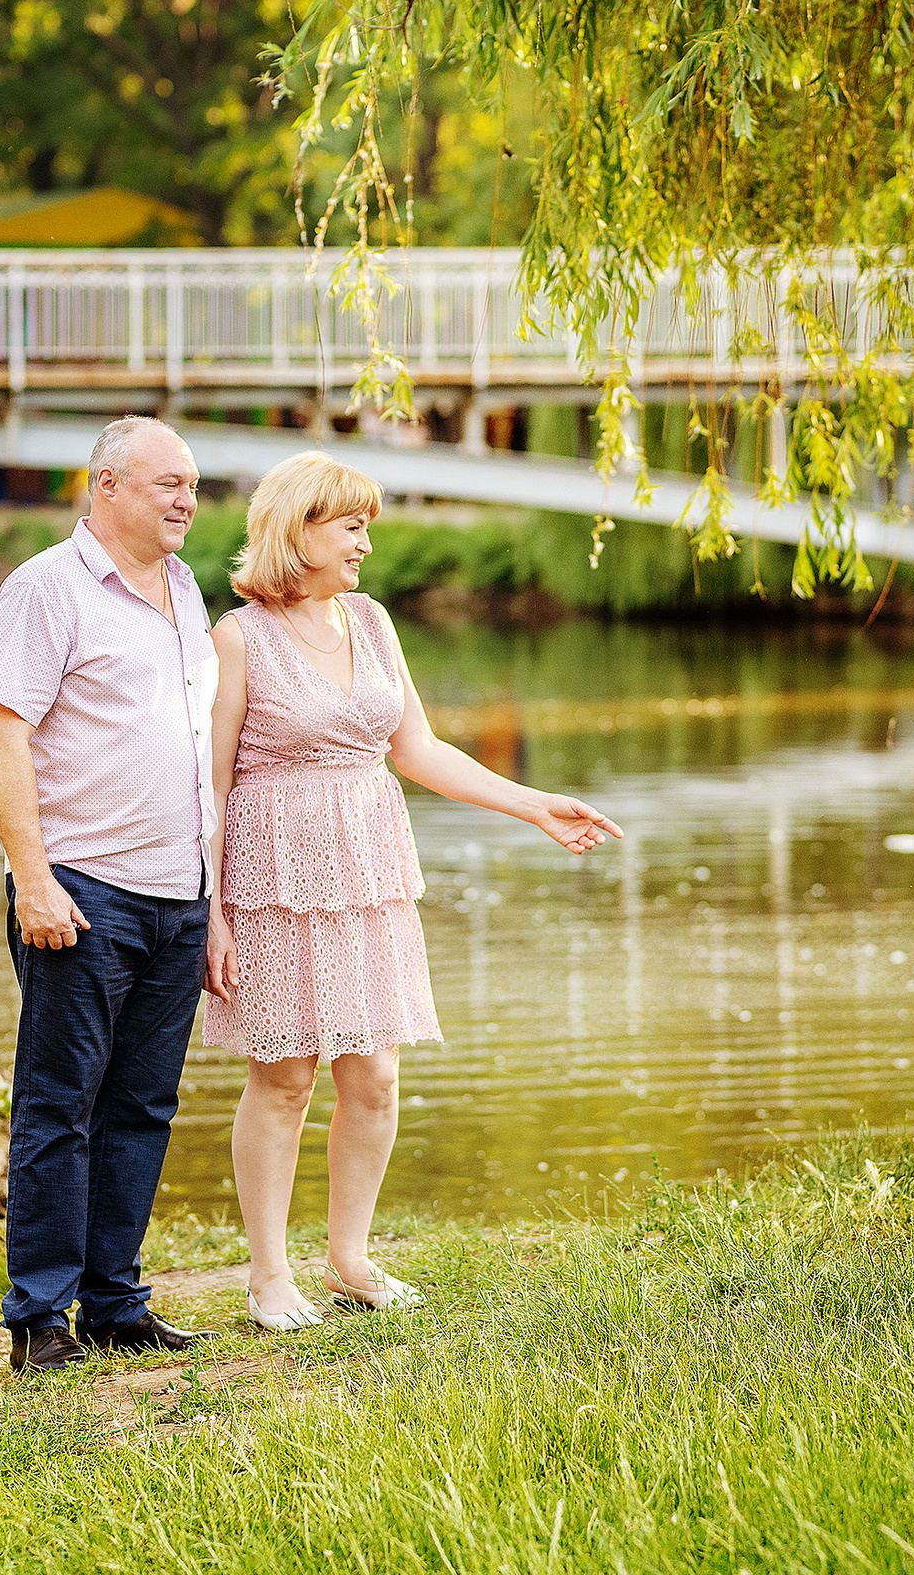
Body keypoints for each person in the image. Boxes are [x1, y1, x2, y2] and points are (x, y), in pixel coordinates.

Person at [205, 451, 622, 1331]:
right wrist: (210, 914)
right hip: (273, 879)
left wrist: (533, 804)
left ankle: (350, 1260)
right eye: (351, 524)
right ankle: (270, 1276)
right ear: (300, 530)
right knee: (283, 1077)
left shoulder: (373, 621)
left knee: (377, 1077)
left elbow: (420, 750)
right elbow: (208, 783)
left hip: (369, 870)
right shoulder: (238, 638)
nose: (365, 540)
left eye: (366, 524)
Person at [0, 415, 220, 1372]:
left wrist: (213, 896)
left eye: (192, 485)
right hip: (80, 891)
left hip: (176, 891)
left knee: (143, 1106)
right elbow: (1, 737)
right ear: (107, 484)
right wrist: (31, 879)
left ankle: (116, 1303)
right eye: (168, 484)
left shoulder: (185, 590)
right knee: (58, 1105)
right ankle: (39, 1316)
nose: (186, 501)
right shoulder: (45, 590)